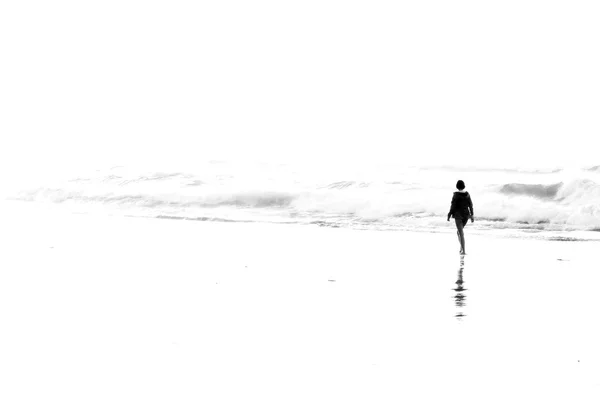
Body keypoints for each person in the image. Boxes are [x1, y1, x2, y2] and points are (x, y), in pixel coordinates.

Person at [447, 180, 474, 255]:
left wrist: (449, 214)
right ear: (464, 186)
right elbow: (471, 205)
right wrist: (472, 215)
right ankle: (462, 247)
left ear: (457, 186)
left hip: (458, 216)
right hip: (466, 216)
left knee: (461, 233)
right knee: (459, 232)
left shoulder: (455, 195)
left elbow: (453, 206)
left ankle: (464, 251)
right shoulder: (467, 194)